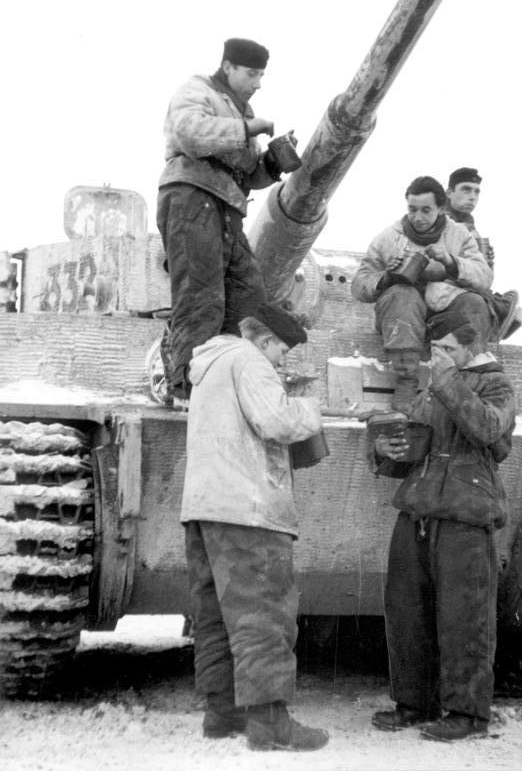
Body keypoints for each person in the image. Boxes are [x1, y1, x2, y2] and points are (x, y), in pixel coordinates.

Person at [181, 302, 329, 753]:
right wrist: (311, 407)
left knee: (216, 616)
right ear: (263, 340)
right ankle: (269, 725)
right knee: (263, 615)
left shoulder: (209, 364)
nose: (282, 360)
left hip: (204, 508)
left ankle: (221, 714)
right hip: (249, 508)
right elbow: (277, 420)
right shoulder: (250, 361)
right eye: (281, 350)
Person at [370, 311, 516, 741]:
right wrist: (386, 449)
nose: (440, 357)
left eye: (450, 350)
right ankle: (414, 704)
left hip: (466, 516)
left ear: (472, 349)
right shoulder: (436, 386)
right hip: (417, 511)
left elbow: (488, 429)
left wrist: (447, 379)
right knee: (407, 614)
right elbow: (414, 445)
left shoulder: (497, 384)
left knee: (464, 619)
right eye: (437, 350)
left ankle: (468, 715)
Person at [157, 38, 286, 401]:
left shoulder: (241, 110)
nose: (258, 82)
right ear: (228, 66)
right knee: (201, 297)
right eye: (251, 73)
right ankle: (187, 389)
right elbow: (189, 133)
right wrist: (246, 130)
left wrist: (271, 165)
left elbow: (247, 174)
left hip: (227, 206)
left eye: (261, 75)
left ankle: (224, 380)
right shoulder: (197, 90)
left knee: (248, 294)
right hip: (191, 196)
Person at [351, 175, 493, 411]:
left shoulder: (458, 235)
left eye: (426, 210)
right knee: (400, 294)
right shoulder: (389, 238)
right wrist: (386, 277)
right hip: (401, 319)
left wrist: (451, 262)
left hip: (443, 315)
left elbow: (484, 277)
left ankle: (469, 383)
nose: (418, 217)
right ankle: (406, 380)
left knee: (474, 303)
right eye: (412, 209)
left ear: (440, 208)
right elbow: (359, 284)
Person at [446, 167, 522, 341]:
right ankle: (496, 309)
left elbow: (484, 277)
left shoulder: (467, 223)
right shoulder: (440, 220)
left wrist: (486, 261)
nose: (472, 196)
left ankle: (496, 311)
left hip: (464, 288)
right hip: (446, 290)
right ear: (449, 193)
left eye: (476, 192)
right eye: (466, 189)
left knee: (514, 313)